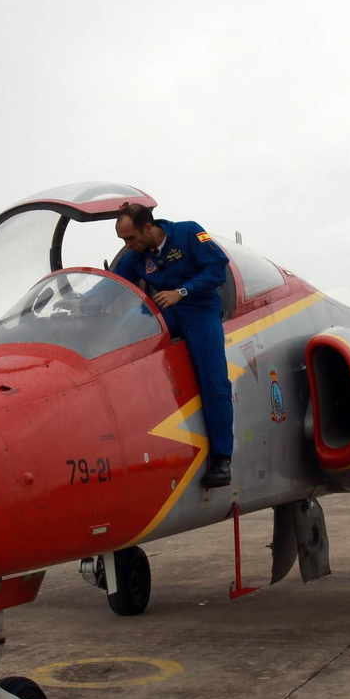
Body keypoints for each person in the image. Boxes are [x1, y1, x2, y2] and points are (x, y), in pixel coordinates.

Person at [112, 203, 233, 488]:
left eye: (130, 238)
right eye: (123, 240)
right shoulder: (137, 255)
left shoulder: (188, 232)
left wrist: (182, 292)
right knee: (124, 354)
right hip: (165, 311)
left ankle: (222, 459)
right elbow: (114, 282)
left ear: (148, 228)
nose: (128, 245)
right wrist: (78, 302)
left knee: (214, 381)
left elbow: (217, 270)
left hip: (200, 309)